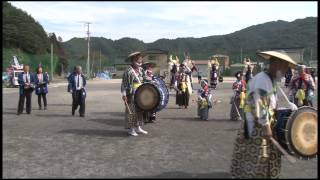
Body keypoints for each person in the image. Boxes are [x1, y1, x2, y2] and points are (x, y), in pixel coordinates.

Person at [230, 51, 298, 178]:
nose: (285, 72)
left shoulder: (270, 80)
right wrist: (266, 126)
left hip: (262, 124)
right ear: (276, 65)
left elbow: (270, 104)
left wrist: (286, 108)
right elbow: (259, 104)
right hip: (256, 127)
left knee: (264, 156)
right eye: (284, 68)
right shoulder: (263, 80)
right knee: (257, 158)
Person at [121, 51, 148, 136]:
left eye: (141, 59)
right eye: (138, 59)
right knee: (131, 111)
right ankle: (131, 129)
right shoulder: (128, 71)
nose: (140, 61)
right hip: (131, 94)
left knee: (140, 110)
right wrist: (124, 95)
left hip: (140, 93)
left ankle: (138, 127)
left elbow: (144, 80)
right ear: (133, 60)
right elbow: (124, 84)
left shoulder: (141, 70)